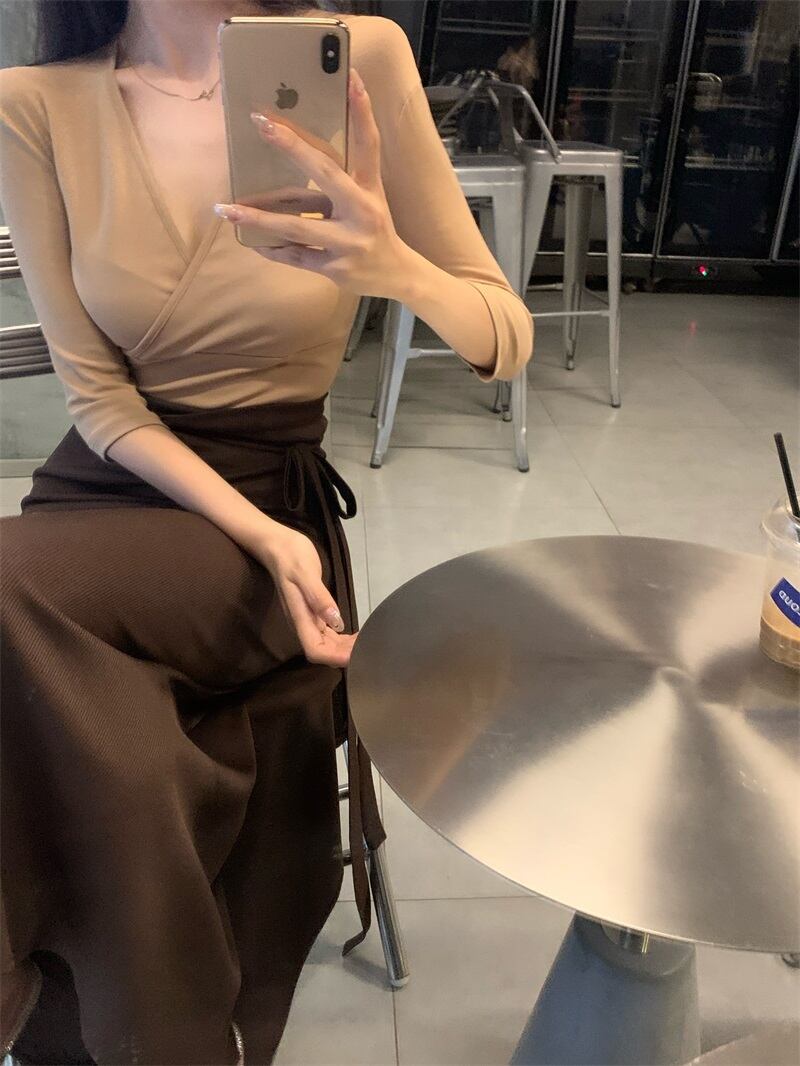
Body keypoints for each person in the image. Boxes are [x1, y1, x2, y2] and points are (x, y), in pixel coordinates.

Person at [0, 0, 534, 1062]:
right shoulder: (34, 102)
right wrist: (257, 534)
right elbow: (98, 401)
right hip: (114, 498)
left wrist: (392, 268)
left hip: (269, 490)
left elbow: (505, 337)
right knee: (96, 733)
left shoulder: (356, 58)